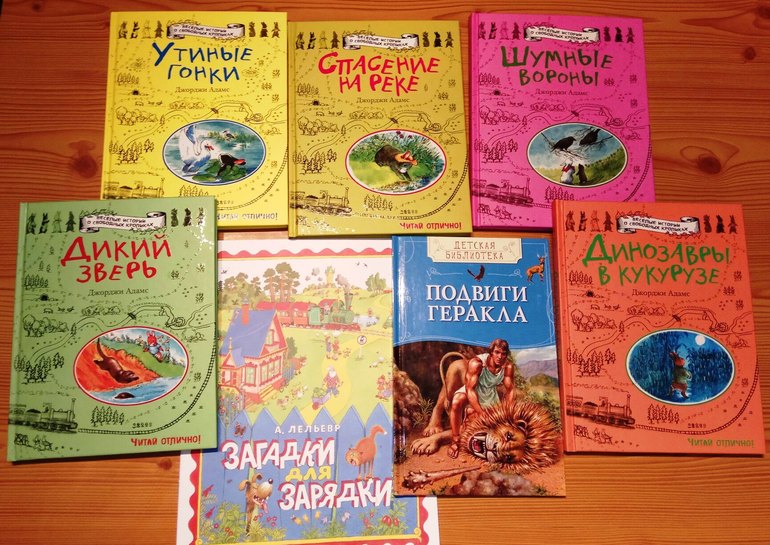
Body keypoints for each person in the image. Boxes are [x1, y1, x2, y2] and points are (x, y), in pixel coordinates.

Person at [447, 338, 515, 458]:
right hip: (473, 390)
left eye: (503, 354)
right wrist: (481, 413)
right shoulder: (477, 363)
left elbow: (510, 390)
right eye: (497, 352)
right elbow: (469, 389)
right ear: (491, 352)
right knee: (456, 401)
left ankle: (470, 414)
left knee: (495, 428)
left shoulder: (507, 366)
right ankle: (455, 440)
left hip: (490, 394)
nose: (500, 357)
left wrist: (507, 412)